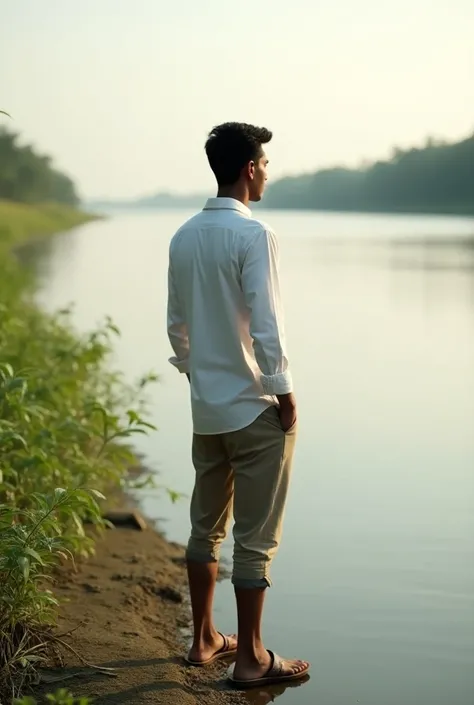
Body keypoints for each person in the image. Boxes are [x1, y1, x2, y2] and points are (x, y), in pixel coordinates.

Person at [166, 122, 309, 688]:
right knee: (255, 540)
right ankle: (250, 659)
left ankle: (202, 640)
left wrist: (197, 374)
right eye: (266, 163)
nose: (268, 172)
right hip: (253, 408)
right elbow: (267, 325)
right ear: (249, 169)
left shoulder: (182, 235)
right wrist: (285, 391)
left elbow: (178, 327)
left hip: (208, 410)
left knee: (206, 529)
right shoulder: (256, 236)